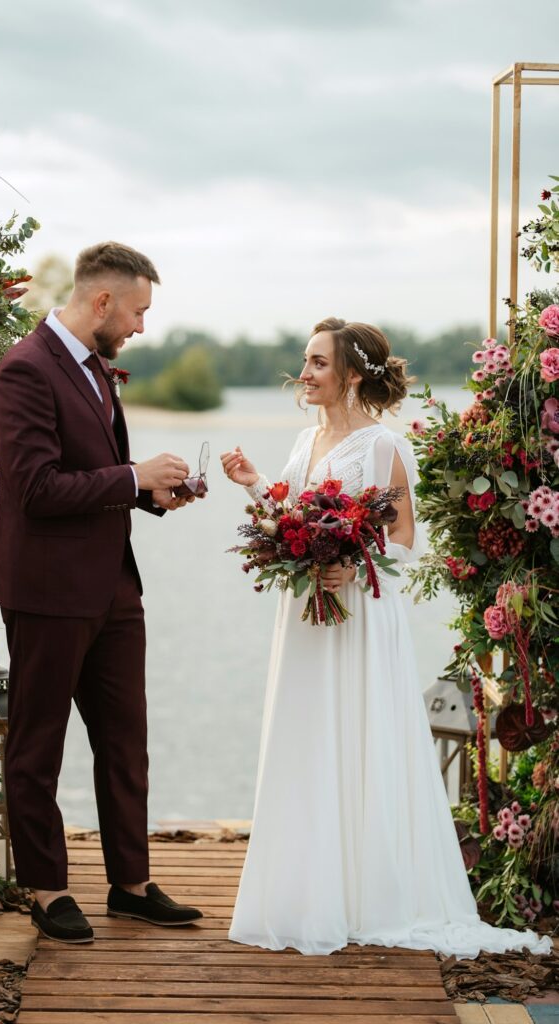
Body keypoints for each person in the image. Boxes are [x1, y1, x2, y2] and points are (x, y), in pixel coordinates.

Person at [220, 317, 551, 958]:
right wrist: (254, 484)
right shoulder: (304, 440)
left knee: (358, 733)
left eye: (319, 363)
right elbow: (289, 517)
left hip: (359, 613)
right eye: (307, 361)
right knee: (307, 735)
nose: (306, 373)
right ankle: (304, 890)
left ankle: (366, 894)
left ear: (350, 374)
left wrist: (353, 562)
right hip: (305, 615)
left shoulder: (383, 447)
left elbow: (402, 538)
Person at [0, 241, 203, 944]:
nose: (140, 326)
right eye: (137, 311)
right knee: (37, 744)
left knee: (125, 739)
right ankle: (47, 891)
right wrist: (132, 477)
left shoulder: (92, 369)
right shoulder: (22, 371)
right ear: (102, 302)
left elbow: (99, 473)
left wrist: (150, 496)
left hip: (113, 588)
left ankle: (130, 886)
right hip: (47, 592)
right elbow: (37, 489)